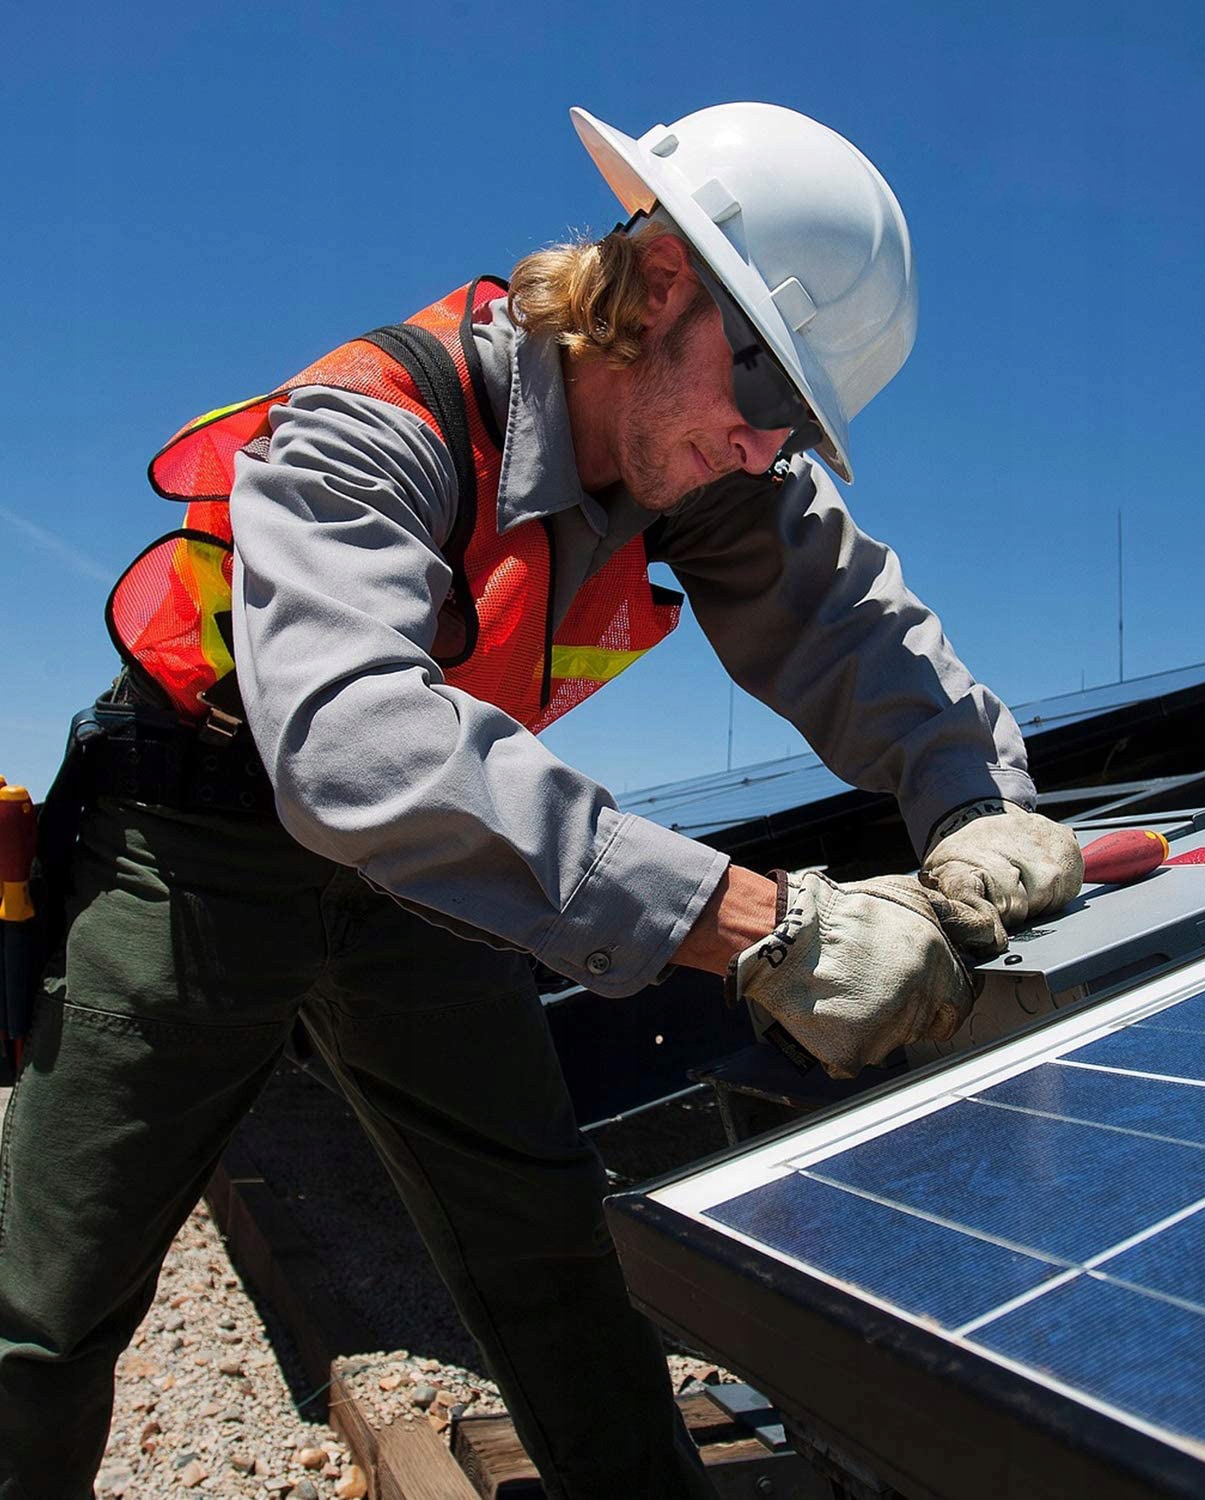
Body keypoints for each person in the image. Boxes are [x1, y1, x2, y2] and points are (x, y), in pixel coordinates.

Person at [0, 102, 1082, 1498]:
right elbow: (355, 743)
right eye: (768, 408)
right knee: (54, 1300)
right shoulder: (374, 420)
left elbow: (855, 628)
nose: (767, 454)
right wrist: (761, 924)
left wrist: (975, 802)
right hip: (192, 844)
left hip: (416, 877)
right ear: (666, 292)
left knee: (545, 1246)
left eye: (800, 434)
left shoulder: (705, 460)